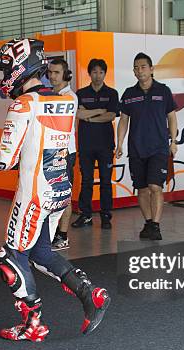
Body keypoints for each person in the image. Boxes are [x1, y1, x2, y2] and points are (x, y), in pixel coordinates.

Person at [0, 38, 110, 342]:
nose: (4, 77)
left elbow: (4, 160)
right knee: (42, 251)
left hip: (33, 193)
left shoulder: (24, 104)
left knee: (11, 255)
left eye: (6, 69)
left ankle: (33, 323)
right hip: (59, 189)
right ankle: (92, 295)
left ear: (21, 66)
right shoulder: (66, 100)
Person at [115, 52, 178, 241]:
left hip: (159, 148)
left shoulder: (163, 91)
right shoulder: (129, 94)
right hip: (136, 149)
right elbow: (124, 121)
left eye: (143, 67)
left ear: (152, 69)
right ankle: (149, 223)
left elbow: (172, 117)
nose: (139, 70)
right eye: (136, 67)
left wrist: (173, 141)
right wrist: (119, 143)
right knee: (142, 189)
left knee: (155, 186)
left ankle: (155, 226)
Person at [70, 58, 119, 234]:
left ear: (105, 74)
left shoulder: (112, 93)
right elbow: (78, 113)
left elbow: (111, 115)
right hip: (86, 144)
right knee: (87, 181)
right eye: (94, 72)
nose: (97, 76)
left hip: (105, 144)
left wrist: (88, 116)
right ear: (89, 73)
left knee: (106, 182)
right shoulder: (81, 93)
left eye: (101, 72)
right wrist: (99, 111)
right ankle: (86, 215)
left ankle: (106, 216)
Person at [45, 58, 78, 251]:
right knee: (51, 194)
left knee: (63, 194)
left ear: (66, 75)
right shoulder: (50, 94)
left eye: (56, 73)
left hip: (65, 152)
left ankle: (63, 236)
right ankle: (52, 233)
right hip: (51, 151)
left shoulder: (69, 97)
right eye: (50, 72)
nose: (52, 76)